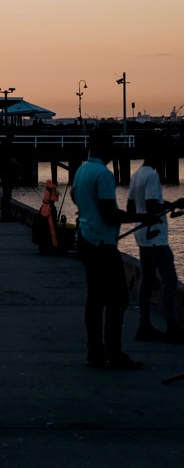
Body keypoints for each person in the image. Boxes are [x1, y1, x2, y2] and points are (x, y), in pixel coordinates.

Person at [71, 128, 158, 370]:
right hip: (102, 245)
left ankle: (95, 352)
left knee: (95, 299)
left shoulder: (81, 170)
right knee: (118, 299)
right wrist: (142, 218)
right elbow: (110, 213)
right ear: (104, 148)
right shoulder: (103, 174)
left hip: (86, 240)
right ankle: (114, 352)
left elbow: (76, 197)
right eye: (111, 147)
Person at [126, 145, 184, 343]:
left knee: (147, 280)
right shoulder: (152, 176)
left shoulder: (136, 175)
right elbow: (152, 205)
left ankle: (144, 325)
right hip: (155, 235)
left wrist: (170, 205)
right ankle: (172, 325)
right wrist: (173, 205)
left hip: (142, 236)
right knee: (170, 279)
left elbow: (131, 207)